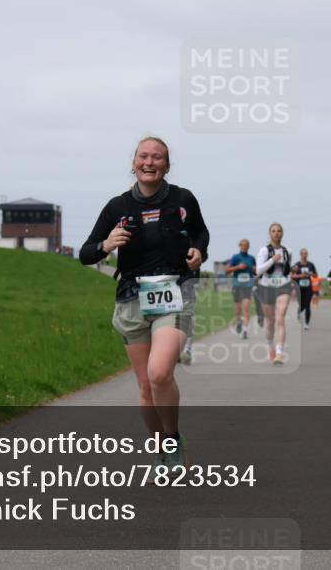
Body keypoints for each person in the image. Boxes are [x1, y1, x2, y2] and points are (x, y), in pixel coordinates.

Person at [79, 136, 209, 471]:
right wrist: (106, 244)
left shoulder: (182, 199)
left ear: (167, 165)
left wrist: (198, 252)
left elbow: (200, 234)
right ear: (133, 162)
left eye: (157, 158)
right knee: (145, 387)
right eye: (143, 157)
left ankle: (173, 442)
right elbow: (85, 252)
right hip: (131, 299)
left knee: (159, 372)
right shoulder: (118, 207)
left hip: (175, 292)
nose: (149, 163)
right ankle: (162, 452)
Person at [256, 223, 293, 365]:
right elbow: (258, 271)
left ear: (282, 233)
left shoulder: (287, 251)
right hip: (266, 286)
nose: (276, 233)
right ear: (269, 234)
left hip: (283, 285)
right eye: (273, 231)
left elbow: (287, 269)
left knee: (280, 318)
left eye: (279, 231)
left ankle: (279, 353)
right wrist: (272, 260)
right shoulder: (264, 250)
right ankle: (270, 344)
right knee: (270, 321)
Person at [225, 239, 256, 340]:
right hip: (237, 286)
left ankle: (245, 331)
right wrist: (238, 267)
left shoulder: (251, 258)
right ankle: (239, 321)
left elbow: (256, 271)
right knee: (238, 310)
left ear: (249, 246)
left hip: (248, 286)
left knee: (246, 309)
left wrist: (254, 270)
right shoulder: (235, 257)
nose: (244, 247)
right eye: (242, 245)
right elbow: (227, 270)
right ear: (239, 246)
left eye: (246, 245)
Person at [291, 248, 317, 329]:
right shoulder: (296, 265)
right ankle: (298, 312)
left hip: (308, 288)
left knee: (308, 305)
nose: (304, 255)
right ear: (300, 254)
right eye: (303, 253)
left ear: (307, 254)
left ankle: (306, 324)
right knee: (301, 304)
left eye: (306, 253)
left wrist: (312, 274)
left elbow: (316, 275)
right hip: (299, 288)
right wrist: (301, 276)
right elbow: (292, 276)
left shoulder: (311, 265)